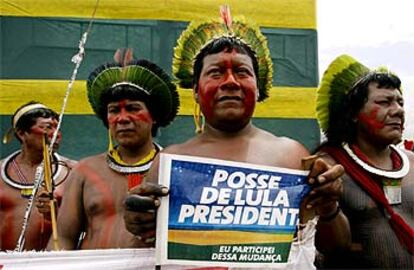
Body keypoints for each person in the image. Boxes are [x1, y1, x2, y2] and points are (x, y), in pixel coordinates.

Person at [124, 7, 349, 267]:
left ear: (258, 86)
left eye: (242, 72)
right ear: (196, 90)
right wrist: (137, 224)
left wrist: (329, 205)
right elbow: (144, 256)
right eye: (216, 73)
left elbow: (336, 248)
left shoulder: (292, 156)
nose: (230, 81)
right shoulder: (169, 162)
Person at [54, 49, 179, 249]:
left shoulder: (173, 169)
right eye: (114, 111)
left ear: (153, 116)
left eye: (133, 108)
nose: (122, 118)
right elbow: (63, 238)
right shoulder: (84, 171)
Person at [314, 54, 413, 268]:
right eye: (384, 102)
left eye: (400, 102)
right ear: (353, 113)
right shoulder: (328, 167)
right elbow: (326, 246)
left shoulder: (412, 164)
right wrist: (328, 204)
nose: (397, 110)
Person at [0, 101, 74, 251]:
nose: (56, 134)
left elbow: (86, 224)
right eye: (47, 127)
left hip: (52, 263)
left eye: (57, 128)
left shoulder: (73, 171)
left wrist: (55, 213)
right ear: (22, 133)